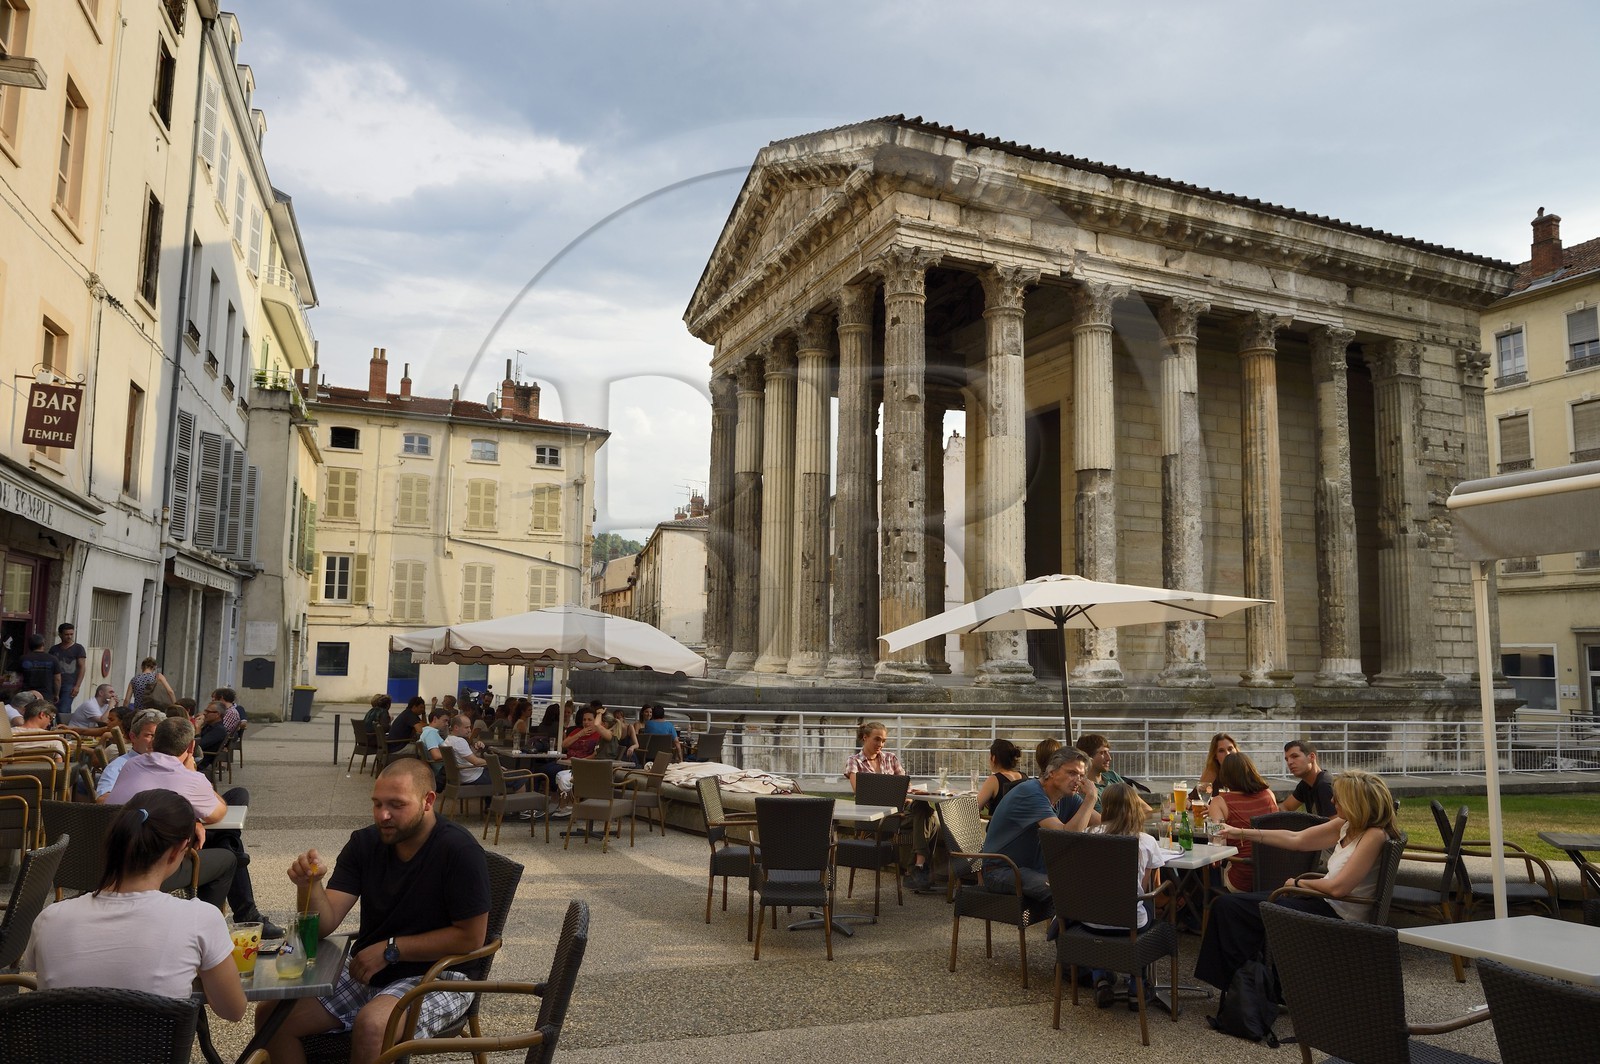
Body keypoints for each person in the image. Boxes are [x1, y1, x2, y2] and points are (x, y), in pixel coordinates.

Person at [257, 759, 491, 1064]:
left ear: (428, 801)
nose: (383, 815)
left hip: (440, 974)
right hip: (370, 970)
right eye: (377, 803)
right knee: (271, 1016)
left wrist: (392, 949)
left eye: (396, 804)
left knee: (372, 1025)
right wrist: (310, 885)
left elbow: (471, 938)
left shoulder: (459, 851)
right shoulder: (365, 843)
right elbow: (325, 923)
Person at [24, 788, 248, 1020]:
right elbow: (233, 1010)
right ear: (178, 851)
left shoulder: (50, 919)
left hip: (64, 1043)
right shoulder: (199, 919)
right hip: (155, 1042)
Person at [1195, 769, 1401, 993]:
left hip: (1337, 915)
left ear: (1355, 803)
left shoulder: (1373, 835)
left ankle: (1248, 990)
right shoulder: (1347, 825)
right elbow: (1297, 839)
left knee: (1236, 908)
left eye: (1338, 798)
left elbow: (1338, 888)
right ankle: (1245, 988)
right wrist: (1240, 832)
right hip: (1319, 901)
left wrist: (1298, 884)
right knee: (1228, 905)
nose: (1332, 801)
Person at [104, 716, 277, 936]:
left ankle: (230, 845)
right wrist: (193, 774)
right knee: (228, 857)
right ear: (191, 747)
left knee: (237, 797)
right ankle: (204, 930)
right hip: (158, 866)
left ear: (154, 742)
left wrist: (191, 819)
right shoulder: (190, 779)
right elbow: (219, 813)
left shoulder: (130, 766)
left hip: (115, 856)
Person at [980, 747, 1098, 908]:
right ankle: (1065, 924)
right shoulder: (1031, 792)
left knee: (1096, 883)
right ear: (1051, 772)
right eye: (1072, 773)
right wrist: (1091, 798)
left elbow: (1102, 822)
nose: (1078, 780)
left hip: (1036, 869)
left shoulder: (1066, 795)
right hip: (1002, 870)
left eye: (1082, 776)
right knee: (1066, 891)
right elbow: (1066, 837)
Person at [1085, 783, 1165, 1007]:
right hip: (1130, 922)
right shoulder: (1146, 841)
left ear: (1105, 807)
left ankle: (1100, 978)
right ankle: (1136, 984)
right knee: (1146, 905)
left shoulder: (1088, 835)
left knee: (1105, 907)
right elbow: (1149, 886)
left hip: (1090, 921)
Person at [843, 721, 940, 889]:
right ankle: (916, 869)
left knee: (923, 807)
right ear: (865, 738)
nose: (880, 744)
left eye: (883, 741)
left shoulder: (891, 758)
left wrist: (913, 794)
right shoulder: (854, 762)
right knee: (932, 819)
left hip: (900, 811)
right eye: (877, 739)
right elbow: (861, 793)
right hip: (877, 815)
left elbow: (906, 787)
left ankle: (916, 868)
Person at [1206, 752, 1280, 892]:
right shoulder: (1269, 795)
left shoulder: (1219, 802)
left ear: (1224, 776)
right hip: (1274, 876)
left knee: (1213, 867)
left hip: (1242, 880)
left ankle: (1205, 900)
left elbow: (1217, 845)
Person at [97, 708, 164, 799]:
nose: (155, 741)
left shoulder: (170, 763)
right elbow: (102, 799)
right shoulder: (119, 766)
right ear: (133, 737)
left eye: (160, 736)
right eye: (150, 735)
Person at [1279, 738, 1336, 819]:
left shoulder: (1325, 785)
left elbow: (1336, 824)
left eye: (1295, 756)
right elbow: (1284, 807)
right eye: (1287, 759)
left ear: (1311, 757)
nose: (1289, 762)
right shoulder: (1305, 784)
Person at [974, 738, 1027, 817]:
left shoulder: (994, 780)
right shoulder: (1024, 777)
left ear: (993, 758)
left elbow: (975, 808)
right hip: (1022, 824)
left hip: (999, 823)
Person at [1075, 732, 1127, 810]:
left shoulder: (1112, 776)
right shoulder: (1084, 788)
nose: (1109, 758)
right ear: (1087, 757)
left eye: (1108, 752)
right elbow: (1103, 816)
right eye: (1102, 753)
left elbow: (1139, 804)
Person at [48, 622, 87, 719]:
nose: (69, 637)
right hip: (54, 684)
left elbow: (82, 667)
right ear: (60, 634)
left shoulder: (78, 648)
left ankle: (63, 727)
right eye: (66, 634)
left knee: (64, 709)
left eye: (71, 634)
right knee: (51, 709)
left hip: (69, 684)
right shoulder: (54, 649)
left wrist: (77, 686)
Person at [18, 633, 61, 706]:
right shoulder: (53, 659)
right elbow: (57, 679)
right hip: (46, 696)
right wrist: (56, 694)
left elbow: (18, 677)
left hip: (28, 695)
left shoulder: (23, 659)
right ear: (43, 644)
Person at [195, 700, 230, 770]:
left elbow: (198, 746)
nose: (204, 713)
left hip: (201, 761)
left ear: (217, 714)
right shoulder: (209, 725)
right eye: (205, 711)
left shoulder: (219, 730)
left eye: (208, 712)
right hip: (197, 756)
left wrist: (198, 728)